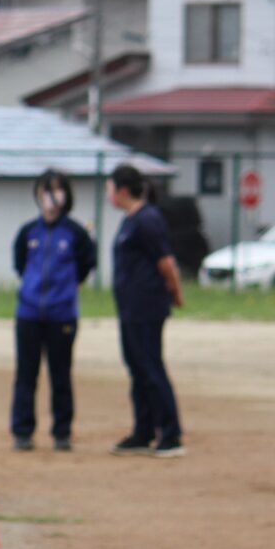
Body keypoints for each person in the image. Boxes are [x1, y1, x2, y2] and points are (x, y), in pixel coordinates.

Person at [9, 170, 97, 451]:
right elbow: (20, 265)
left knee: (61, 374)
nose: (51, 196)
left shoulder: (76, 233)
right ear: (37, 194)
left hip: (62, 315)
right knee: (26, 374)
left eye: (58, 190)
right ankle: (22, 431)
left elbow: (85, 267)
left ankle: (62, 431)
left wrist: (64, 291)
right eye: (46, 190)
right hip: (29, 314)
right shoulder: (27, 232)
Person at [106, 164, 186, 458]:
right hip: (129, 308)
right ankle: (143, 431)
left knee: (151, 366)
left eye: (110, 188)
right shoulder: (130, 220)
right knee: (137, 367)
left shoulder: (148, 218)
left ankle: (171, 433)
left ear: (122, 190)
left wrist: (175, 293)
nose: (108, 194)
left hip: (146, 307)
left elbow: (165, 261)